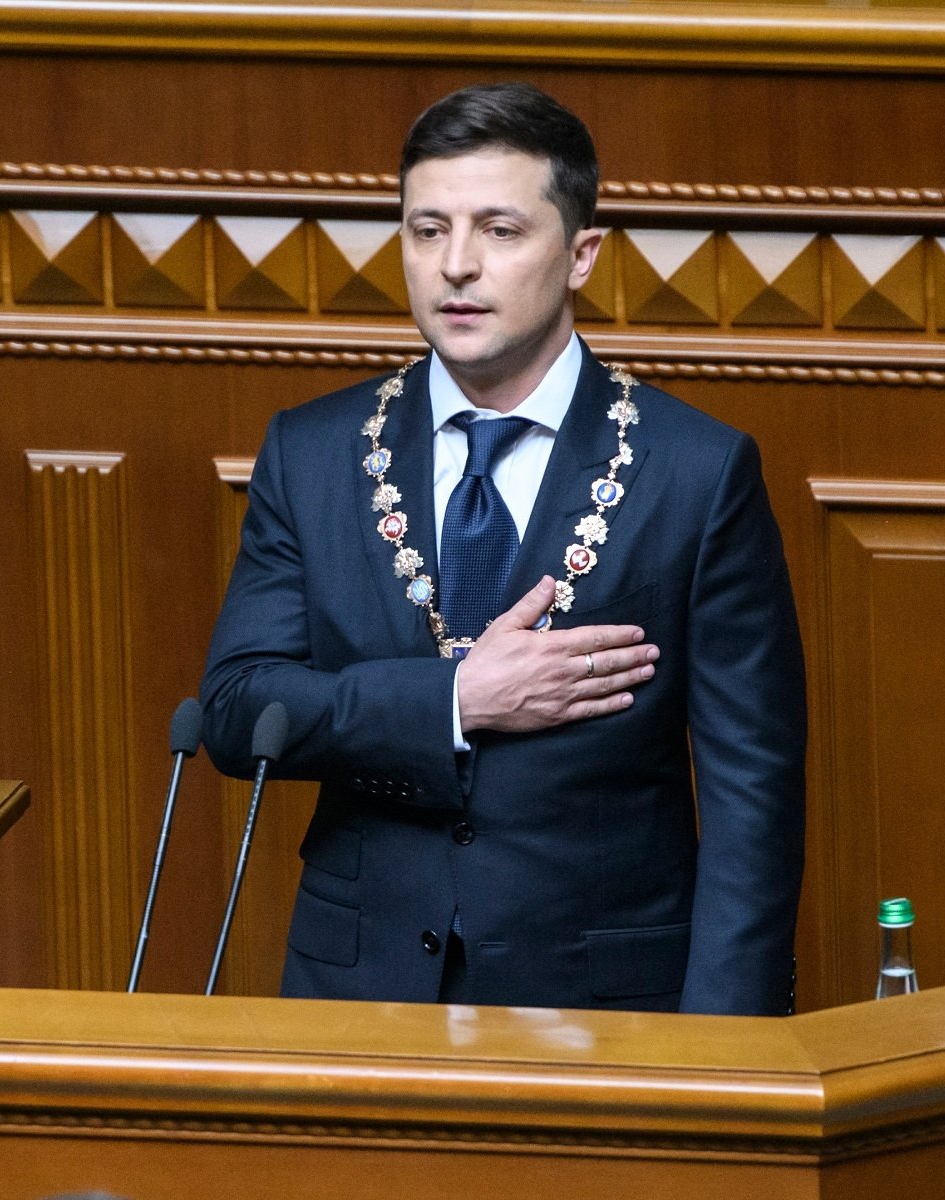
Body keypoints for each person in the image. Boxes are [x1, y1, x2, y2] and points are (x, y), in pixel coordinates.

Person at [199, 82, 806, 1016]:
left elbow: (751, 798)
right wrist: (453, 699)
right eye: (427, 230)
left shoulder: (697, 471)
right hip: (362, 995)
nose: (457, 268)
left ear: (580, 254)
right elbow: (241, 713)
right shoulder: (310, 451)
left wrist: (727, 1058)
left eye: (500, 231)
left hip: (605, 1001)